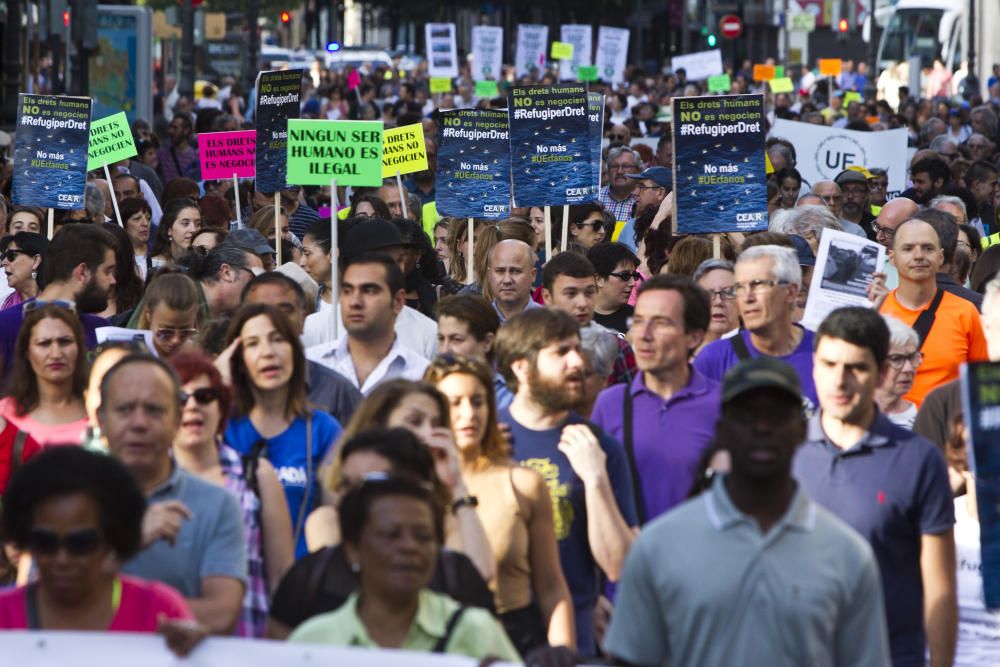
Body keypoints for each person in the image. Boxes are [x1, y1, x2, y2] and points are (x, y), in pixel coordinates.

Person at [604, 356, 890, 667]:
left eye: (777, 415)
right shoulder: (659, 547)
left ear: (801, 431)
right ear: (722, 430)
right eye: (746, 415)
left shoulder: (847, 556)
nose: (762, 426)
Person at [794, 307, 957, 667]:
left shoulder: (919, 459)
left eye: (856, 368)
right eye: (829, 365)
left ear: (882, 372)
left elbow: (940, 590)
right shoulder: (782, 454)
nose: (840, 381)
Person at [494, 308, 637, 655]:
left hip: (573, 637)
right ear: (521, 367)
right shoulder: (486, 438)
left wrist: (595, 478)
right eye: (561, 352)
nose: (577, 361)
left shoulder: (599, 447)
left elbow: (620, 565)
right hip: (495, 635)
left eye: (576, 348)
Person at [268, 427, 495, 638]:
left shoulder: (456, 578)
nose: (352, 497)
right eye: (347, 484)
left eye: (369, 483)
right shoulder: (309, 579)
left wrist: (458, 489)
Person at [425, 356, 576, 654]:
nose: (469, 413)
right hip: (433, 640)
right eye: (454, 403)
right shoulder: (416, 487)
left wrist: (563, 654)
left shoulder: (523, 484)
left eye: (478, 401)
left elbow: (551, 587)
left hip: (513, 641)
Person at [0, 447, 206, 657]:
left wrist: (196, 652)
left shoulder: (158, 610)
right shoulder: (3, 616)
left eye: (81, 543)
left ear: (111, 539)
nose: (62, 559)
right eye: (45, 542)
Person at [288, 475, 520, 661]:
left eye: (423, 536)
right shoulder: (313, 642)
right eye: (391, 535)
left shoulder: (477, 631)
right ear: (353, 549)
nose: (409, 547)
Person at [100, 353, 247, 636]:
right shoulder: (70, 501)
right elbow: (48, 603)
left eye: (154, 410)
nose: (139, 423)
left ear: (177, 418)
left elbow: (221, 613)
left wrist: (105, 611)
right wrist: (127, 544)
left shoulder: (217, 504)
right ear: (101, 419)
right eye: (125, 409)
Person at [170, 351, 294, 638]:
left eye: (204, 396)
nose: (192, 406)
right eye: (180, 398)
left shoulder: (257, 474)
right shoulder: (147, 481)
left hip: (249, 645)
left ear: (221, 406)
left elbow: (282, 581)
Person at [591, 274, 721, 523]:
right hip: (628, 557)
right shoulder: (609, 404)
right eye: (638, 321)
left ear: (693, 336)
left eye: (660, 323)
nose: (644, 335)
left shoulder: (723, 406)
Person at [223, 304, 342, 558]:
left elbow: (340, 514)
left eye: (278, 339)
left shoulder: (323, 429)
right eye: (252, 344)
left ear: (295, 352)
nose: (268, 352)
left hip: (302, 581)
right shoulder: (222, 427)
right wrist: (216, 382)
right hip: (236, 580)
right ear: (238, 359)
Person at [695, 245, 818, 415]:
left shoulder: (825, 354)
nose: (747, 297)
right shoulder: (714, 359)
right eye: (739, 287)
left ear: (790, 292)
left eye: (758, 284)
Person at [878, 217, 988, 407]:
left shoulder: (966, 312)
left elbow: (983, 386)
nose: (919, 255)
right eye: (908, 248)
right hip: (889, 431)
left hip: (945, 431)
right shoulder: (877, 312)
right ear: (892, 258)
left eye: (928, 248)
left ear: (941, 257)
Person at [242, 273, 362, 425]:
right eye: (261, 311)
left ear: (303, 318)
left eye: (284, 311)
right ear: (243, 320)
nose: (274, 320)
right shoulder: (224, 388)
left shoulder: (337, 391)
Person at [0, 224, 117, 379]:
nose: (113, 280)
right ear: (83, 272)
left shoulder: (101, 331)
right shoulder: (5, 326)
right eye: (107, 271)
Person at [306, 253, 429, 394]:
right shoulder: (310, 365)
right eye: (347, 291)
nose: (355, 302)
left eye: (369, 291)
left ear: (398, 301)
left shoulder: (422, 375)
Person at [540, 251, 637, 387]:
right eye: (571, 294)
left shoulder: (617, 349)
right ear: (547, 297)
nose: (582, 303)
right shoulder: (530, 346)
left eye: (589, 292)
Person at [0, 304, 89, 446]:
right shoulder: (5, 414)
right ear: (27, 352)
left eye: (65, 342)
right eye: (44, 343)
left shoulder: (101, 411)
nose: (56, 354)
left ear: (79, 347)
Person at [435, 294, 511, 408]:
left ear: (487, 342)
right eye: (441, 339)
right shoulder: (431, 395)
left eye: (457, 339)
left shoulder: (511, 400)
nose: (445, 350)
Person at [134, 272, 200, 359]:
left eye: (185, 332)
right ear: (149, 315)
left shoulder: (195, 355)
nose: (175, 340)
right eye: (166, 332)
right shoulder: (133, 355)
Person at [876, 316, 923, 429]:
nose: (908, 368)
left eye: (912, 358)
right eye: (896, 359)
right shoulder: (845, 417)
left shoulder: (926, 426)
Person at [588, 242, 640, 335]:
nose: (633, 283)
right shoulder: (576, 318)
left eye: (635, 276)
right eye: (625, 276)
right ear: (599, 279)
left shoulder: (638, 320)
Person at [616, 166, 672, 252]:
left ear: (660, 192)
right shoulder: (631, 226)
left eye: (642, 187)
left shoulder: (676, 230)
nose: (635, 192)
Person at [488, 239, 541, 323]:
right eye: (500, 271)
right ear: (489, 275)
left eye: (516, 271)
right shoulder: (477, 323)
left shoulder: (550, 324)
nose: (507, 280)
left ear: (533, 275)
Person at [692, 258, 739, 352]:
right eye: (708, 294)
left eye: (728, 292)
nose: (718, 302)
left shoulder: (756, 350)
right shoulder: (680, 353)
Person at [150, 198, 202, 270]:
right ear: (169, 229)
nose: (193, 230)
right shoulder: (154, 263)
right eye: (185, 223)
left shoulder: (203, 261)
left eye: (197, 224)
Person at [0, 232, 45, 310]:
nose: (4, 262)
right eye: (4, 256)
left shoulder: (57, 305)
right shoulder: (3, 304)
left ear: (36, 261)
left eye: (11, 255)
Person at [598, 146, 641, 221]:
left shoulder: (644, 199)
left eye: (626, 166)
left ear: (638, 171)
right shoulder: (596, 197)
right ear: (608, 171)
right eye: (614, 166)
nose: (619, 171)